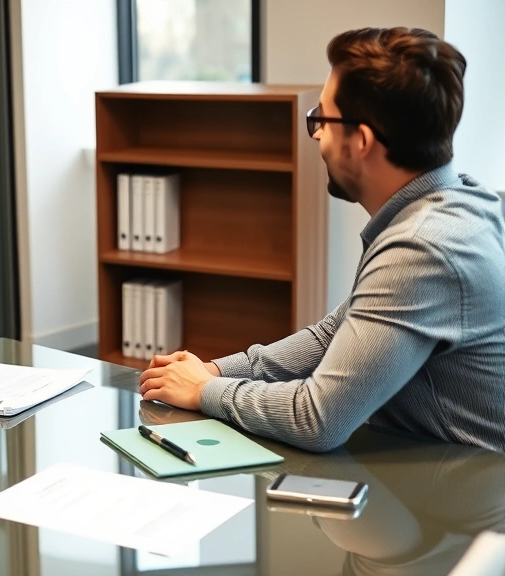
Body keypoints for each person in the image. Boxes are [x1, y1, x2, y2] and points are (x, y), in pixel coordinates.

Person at [138, 27, 505, 453]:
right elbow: (336, 332)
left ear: (362, 141)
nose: (316, 135)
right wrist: (217, 371)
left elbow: (318, 419)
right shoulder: (452, 201)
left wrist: (205, 392)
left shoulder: (422, 248)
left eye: (323, 120)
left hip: (466, 499)